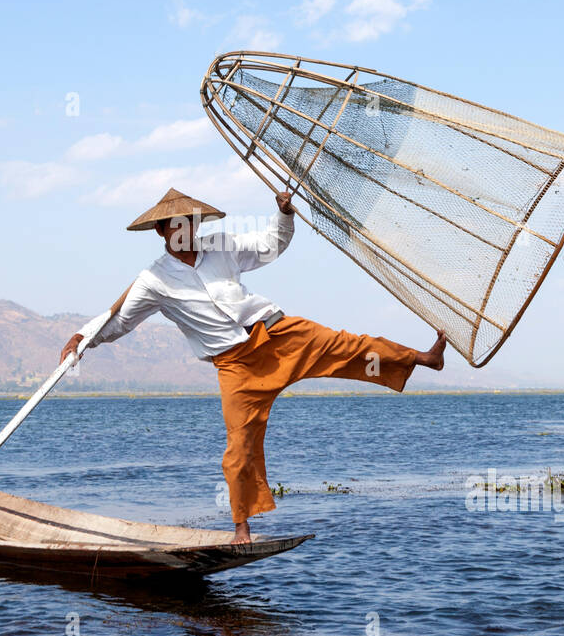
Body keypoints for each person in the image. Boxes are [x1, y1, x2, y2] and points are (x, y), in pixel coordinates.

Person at [61, 186, 445, 543]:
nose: (185, 231)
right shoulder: (152, 280)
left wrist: (283, 215)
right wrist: (83, 338)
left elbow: (269, 246)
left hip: (276, 335)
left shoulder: (222, 247)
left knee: (347, 346)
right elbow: (120, 320)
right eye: (175, 225)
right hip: (235, 367)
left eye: (190, 223)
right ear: (160, 231)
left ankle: (423, 358)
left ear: (196, 225)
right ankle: (241, 527)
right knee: (239, 448)